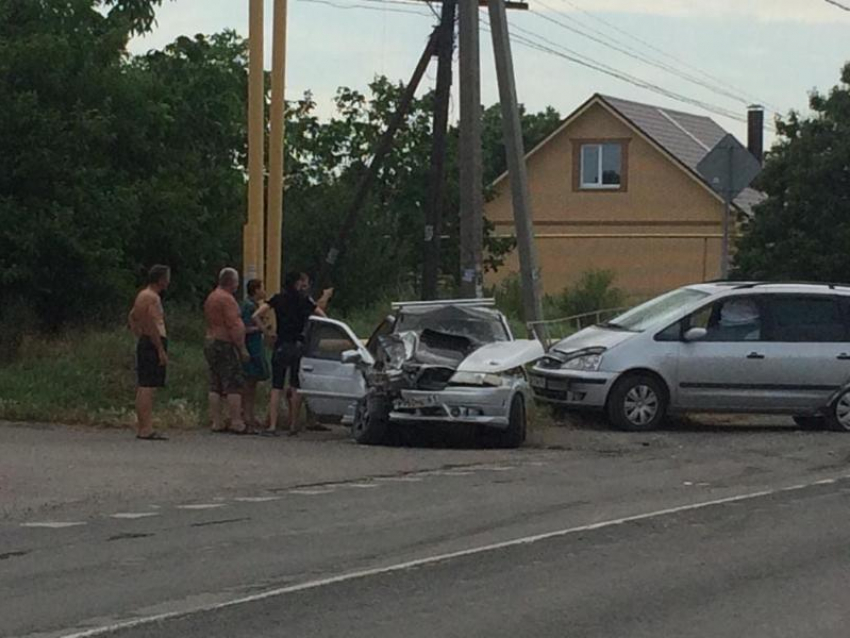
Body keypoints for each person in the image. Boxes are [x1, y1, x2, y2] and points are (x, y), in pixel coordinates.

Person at [254, 271, 333, 435]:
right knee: (295, 385)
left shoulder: (277, 298)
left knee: (276, 387)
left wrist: (266, 332)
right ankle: (293, 424)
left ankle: (272, 426)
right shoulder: (305, 300)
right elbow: (322, 316)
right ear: (298, 283)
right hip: (298, 345)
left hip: (281, 344)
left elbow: (257, 315)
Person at [203, 267, 251, 434]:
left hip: (210, 341)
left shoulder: (212, 297)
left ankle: (217, 421)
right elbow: (234, 325)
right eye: (237, 281)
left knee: (215, 383)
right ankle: (236, 422)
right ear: (232, 282)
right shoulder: (227, 299)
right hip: (224, 343)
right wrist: (242, 348)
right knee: (233, 383)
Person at [128, 265, 171, 441]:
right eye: (167, 277)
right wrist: (159, 348)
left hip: (146, 340)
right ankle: (146, 428)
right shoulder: (151, 297)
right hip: (153, 342)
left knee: (145, 385)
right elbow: (150, 322)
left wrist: (138, 332)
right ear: (161, 279)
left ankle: (143, 426)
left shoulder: (143, 295)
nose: (169, 281)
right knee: (148, 386)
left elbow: (132, 316)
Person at [240, 278, 270, 431]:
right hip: (251, 346)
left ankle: (250, 415)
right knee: (249, 383)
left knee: (253, 383)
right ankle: (247, 415)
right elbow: (244, 328)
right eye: (262, 288)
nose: (264, 291)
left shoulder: (253, 306)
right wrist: (262, 329)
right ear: (256, 290)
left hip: (256, 346)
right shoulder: (249, 307)